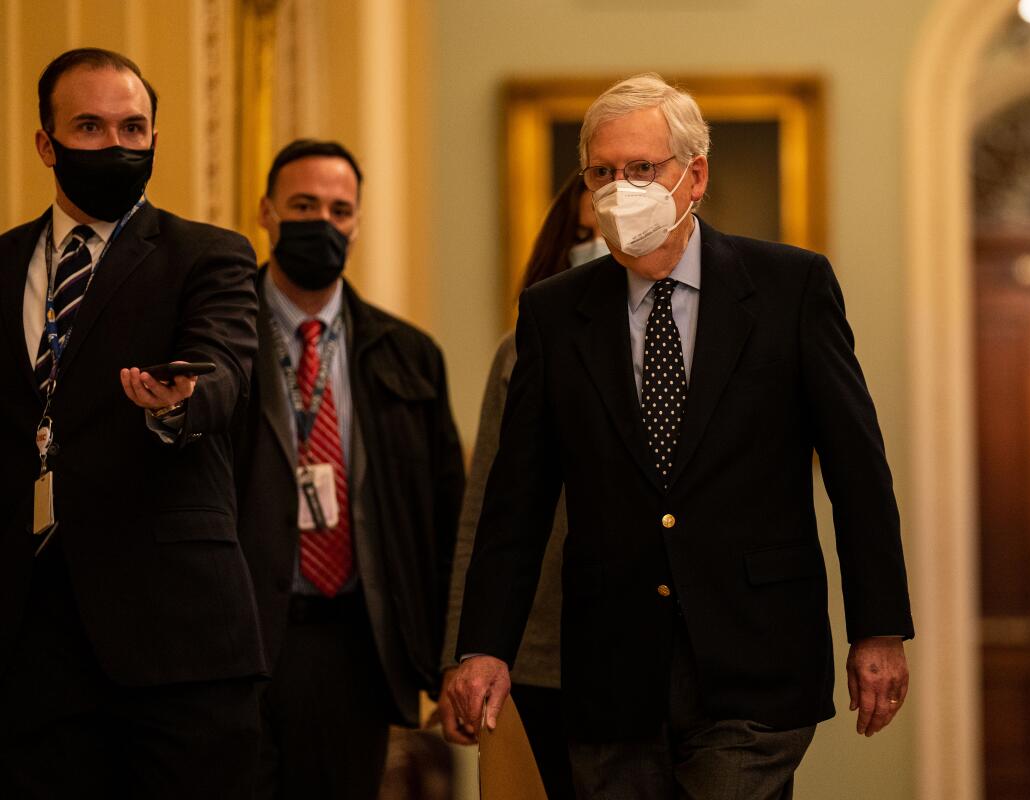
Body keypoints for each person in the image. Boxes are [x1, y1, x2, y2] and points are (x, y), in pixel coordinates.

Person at [448, 73, 915, 799]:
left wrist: (879, 628)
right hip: (611, 666)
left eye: (642, 169)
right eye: (602, 172)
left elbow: (858, 469)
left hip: (755, 657)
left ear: (694, 175)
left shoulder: (790, 288)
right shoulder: (555, 313)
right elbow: (517, 498)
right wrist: (481, 645)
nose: (619, 188)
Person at [0, 48, 263, 797]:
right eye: (89, 126)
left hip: (175, 637)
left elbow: (222, 370)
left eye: (133, 128)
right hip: (28, 640)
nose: (115, 146)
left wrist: (177, 402)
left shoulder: (206, 256)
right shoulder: (2, 264)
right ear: (46, 144)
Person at [235, 139, 465, 799]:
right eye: (303, 205)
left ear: (358, 223)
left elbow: (447, 514)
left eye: (340, 210)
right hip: (242, 642)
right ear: (267, 213)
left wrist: (451, 654)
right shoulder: (219, 341)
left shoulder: (409, 355)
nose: (323, 223)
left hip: (355, 644)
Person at [439, 173, 605, 798]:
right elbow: (482, 508)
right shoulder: (521, 352)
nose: (593, 248)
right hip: (535, 649)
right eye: (581, 235)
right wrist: (462, 653)